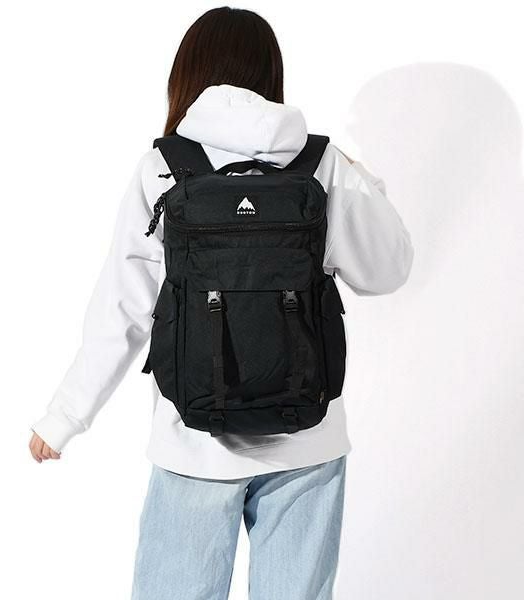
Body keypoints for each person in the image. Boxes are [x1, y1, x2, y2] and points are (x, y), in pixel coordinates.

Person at [29, 7, 414, 599]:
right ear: (270, 72)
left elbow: (123, 308)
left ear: (188, 73)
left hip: (193, 442)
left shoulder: (164, 168)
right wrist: (366, 181)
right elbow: (388, 270)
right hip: (307, 440)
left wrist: (64, 419)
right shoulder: (323, 163)